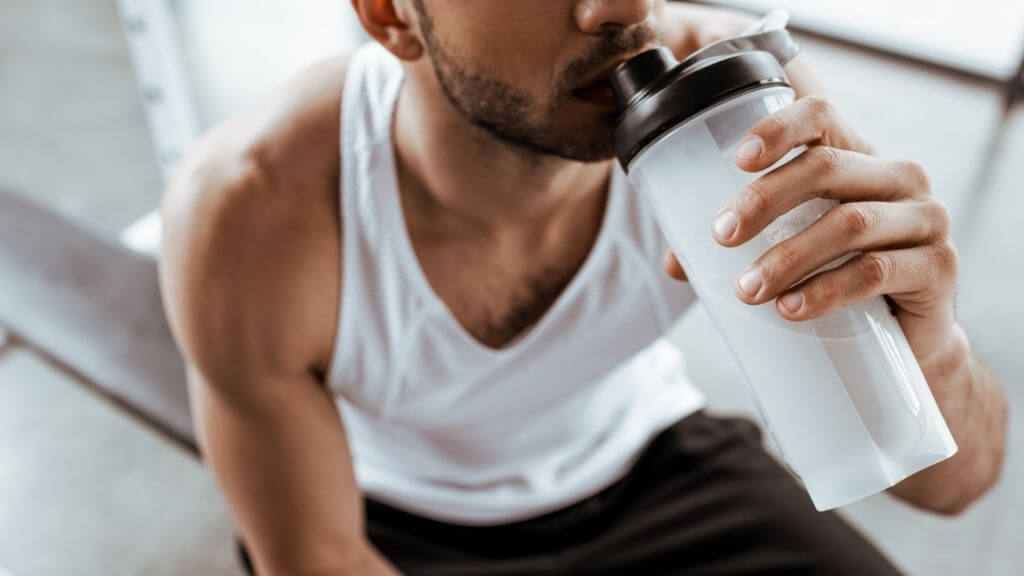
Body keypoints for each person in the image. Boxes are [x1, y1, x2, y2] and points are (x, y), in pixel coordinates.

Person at [159, 2, 1008, 574]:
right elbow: (319, 558)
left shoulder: (736, 114)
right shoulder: (255, 215)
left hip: (652, 464)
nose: (621, 9)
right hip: (390, 517)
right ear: (389, 15)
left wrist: (928, 342)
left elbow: (952, 485)